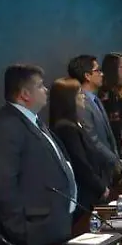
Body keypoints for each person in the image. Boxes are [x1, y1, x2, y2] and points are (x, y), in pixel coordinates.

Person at [0, 65, 75, 245]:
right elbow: (2, 185)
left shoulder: (31, 120)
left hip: (53, 229)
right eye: (40, 86)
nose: (46, 90)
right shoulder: (6, 127)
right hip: (33, 238)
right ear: (25, 94)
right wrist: (22, 232)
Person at [48, 78, 109, 217]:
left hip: (90, 191)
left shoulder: (75, 123)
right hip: (83, 195)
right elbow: (80, 164)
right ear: (69, 100)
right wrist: (100, 187)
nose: (83, 97)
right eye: (79, 94)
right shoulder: (66, 128)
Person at [67, 54, 121, 178]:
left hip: (106, 169)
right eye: (98, 70)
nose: (102, 74)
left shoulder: (95, 100)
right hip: (96, 170)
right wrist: (113, 159)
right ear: (87, 76)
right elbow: (92, 140)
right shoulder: (81, 103)